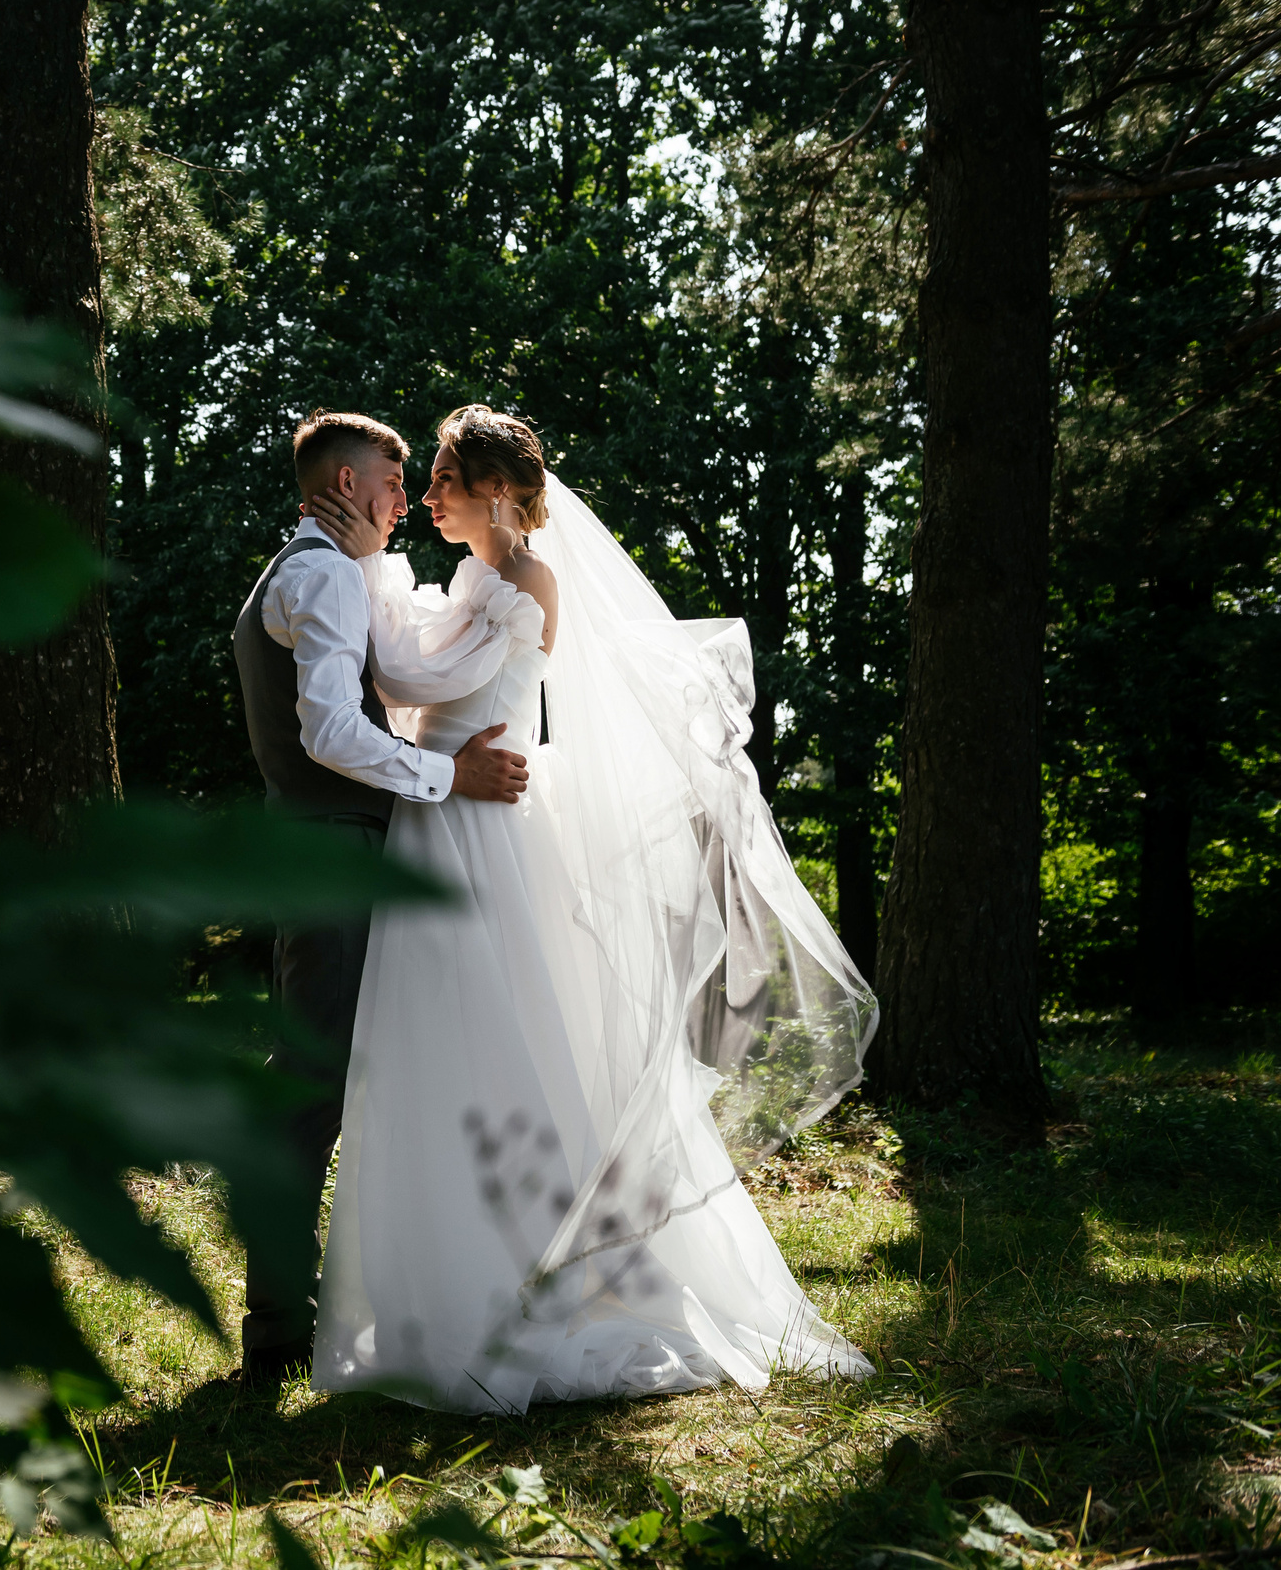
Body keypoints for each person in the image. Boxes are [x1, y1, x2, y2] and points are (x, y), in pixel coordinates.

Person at [290, 405, 878, 1412]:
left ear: (498, 494)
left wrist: (367, 571)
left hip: (481, 828)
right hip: (447, 814)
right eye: (421, 479)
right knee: (438, 1048)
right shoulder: (476, 578)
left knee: (495, 1039)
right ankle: (440, 1286)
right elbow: (411, 673)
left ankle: (531, 1282)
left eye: (441, 479)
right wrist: (375, 577)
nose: (426, 496)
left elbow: (412, 676)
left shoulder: (528, 584)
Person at [229, 411, 532, 1384]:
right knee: (310, 1086)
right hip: (333, 850)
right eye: (396, 485)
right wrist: (451, 780)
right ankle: (276, 1327)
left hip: (323, 844)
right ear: (353, 485)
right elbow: (328, 731)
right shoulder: (320, 573)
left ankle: (324, 1306)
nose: (407, 503)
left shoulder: (323, 566)